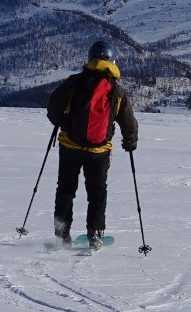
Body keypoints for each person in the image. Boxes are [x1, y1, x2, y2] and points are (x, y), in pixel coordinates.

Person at [47, 40, 138, 247]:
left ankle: (62, 234)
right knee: (97, 192)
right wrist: (130, 141)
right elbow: (128, 122)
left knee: (65, 189)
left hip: (69, 146)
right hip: (99, 150)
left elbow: (53, 107)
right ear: (112, 61)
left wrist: (61, 121)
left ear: (90, 59)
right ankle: (94, 234)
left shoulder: (73, 82)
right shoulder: (117, 91)